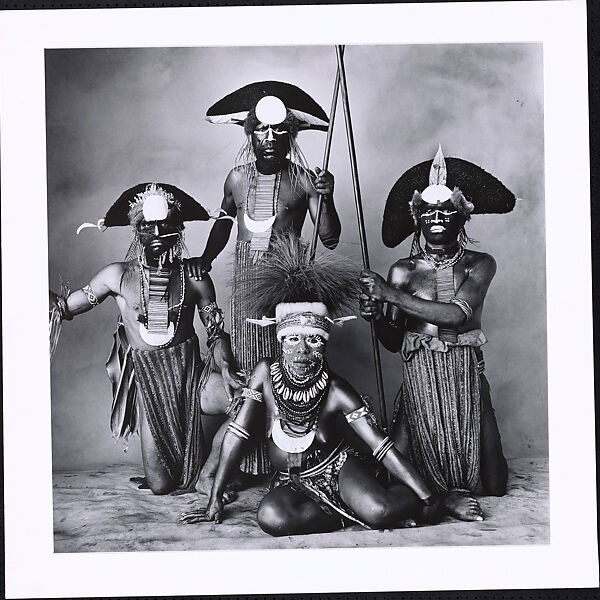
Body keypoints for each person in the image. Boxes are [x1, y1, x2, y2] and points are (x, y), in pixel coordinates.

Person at [181, 235, 444, 534]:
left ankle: (394, 503)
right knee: (270, 517)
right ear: (280, 342)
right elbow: (237, 434)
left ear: (324, 346)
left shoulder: (335, 389)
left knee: (380, 510)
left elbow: (381, 448)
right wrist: (214, 499)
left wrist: (428, 497)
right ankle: (346, 511)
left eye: (314, 340)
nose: (302, 350)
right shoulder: (265, 373)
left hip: (335, 469)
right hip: (291, 479)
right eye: (293, 339)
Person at [187, 81, 342, 479]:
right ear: (250, 134)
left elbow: (329, 237)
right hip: (244, 285)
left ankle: (282, 461)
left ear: (291, 136)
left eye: (279, 131)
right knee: (243, 367)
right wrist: (206, 257)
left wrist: (328, 196)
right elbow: (225, 223)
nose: (270, 138)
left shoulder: (306, 179)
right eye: (261, 130)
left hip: (285, 287)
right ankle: (243, 465)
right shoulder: (236, 178)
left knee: (279, 368)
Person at [49, 183, 242, 495]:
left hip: (193, 377)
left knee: (248, 400)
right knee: (161, 486)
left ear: (179, 228)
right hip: (151, 386)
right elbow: (67, 308)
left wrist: (229, 366)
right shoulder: (116, 275)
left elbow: (216, 332)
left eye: (165, 224)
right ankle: (180, 470)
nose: (156, 233)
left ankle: (208, 474)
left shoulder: (194, 277)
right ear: (135, 230)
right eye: (146, 226)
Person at [359, 146, 515, 521]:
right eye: (428, 212)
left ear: (463, 216)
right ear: (417, 219)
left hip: (464, 375)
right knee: (390, 475)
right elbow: (394, 343)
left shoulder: (480, 264)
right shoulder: (402, 270)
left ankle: (447, 487)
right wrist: (377, 314)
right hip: (420, 380)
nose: (438, 218)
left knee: (495, 483)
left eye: (448, 211)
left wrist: (390, 295)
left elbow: (455, 317)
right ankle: (442, 496)